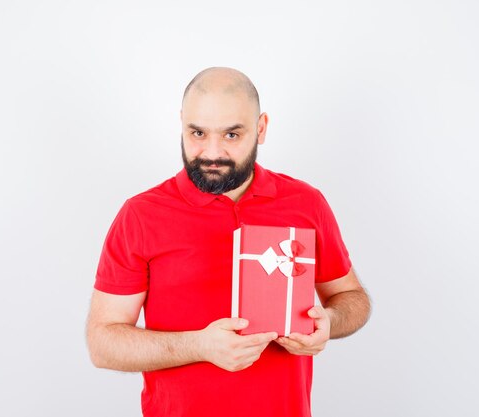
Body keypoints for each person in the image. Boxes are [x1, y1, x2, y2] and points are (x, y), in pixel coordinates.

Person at [86, 67, 371, 417]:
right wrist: (198, 346)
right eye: (197, 133)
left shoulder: (306, 203)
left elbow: (351, 297)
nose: (212, 152)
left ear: (261, 129)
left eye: (232, 135)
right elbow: (103, 343)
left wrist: (328, 321)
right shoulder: (141, 215)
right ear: (181, 124)